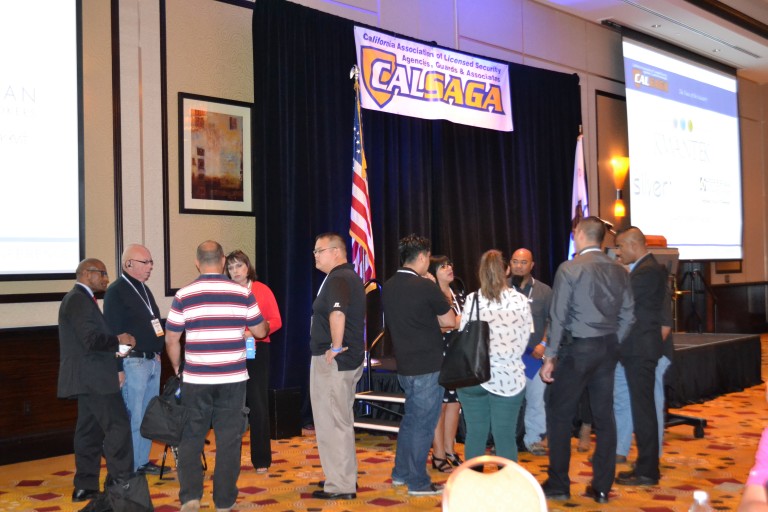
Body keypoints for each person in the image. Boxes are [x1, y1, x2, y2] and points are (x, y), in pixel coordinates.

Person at [165, 241, 269, 512]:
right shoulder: (242, 293)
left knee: (191, 438)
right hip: (232, 379)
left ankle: (190, 499)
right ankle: (224, 502)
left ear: (197, 262)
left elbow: (172, 338)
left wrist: (177, 368)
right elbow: (260, 331)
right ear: (223, 261)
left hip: (196, 380)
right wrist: (264, 324)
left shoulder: (184, 294)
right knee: (229, 441)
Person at [540, 216, 634, 504]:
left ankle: (559, 483)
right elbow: (629, 314)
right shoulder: (620, 270)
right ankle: (602, 487)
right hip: (608, 346)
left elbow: (558, 316)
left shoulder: (569, 268)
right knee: (604, 416)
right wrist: (614, 341)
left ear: (579, 234)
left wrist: (550, 356)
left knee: (559, 412)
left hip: (578, 348)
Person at [382, 234, 456, 496]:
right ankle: (418, 482)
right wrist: (436, 290)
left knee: (411, 422)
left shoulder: (389, 285)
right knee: (423, 425)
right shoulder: (426, 286)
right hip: (428, 365)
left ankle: (401, 473)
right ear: (423, 257)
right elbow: (450, 321)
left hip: (405, 364)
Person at [57, 258, 136, 503]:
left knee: (89, 432)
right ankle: (120, 484)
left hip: (89, 377)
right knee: (118, 428)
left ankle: (85, 486)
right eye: (101, 273)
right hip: (95, 379)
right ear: (86, 273)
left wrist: (115, 348)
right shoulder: (78, 299)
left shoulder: (80, 299)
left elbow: (88, 341)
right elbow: (91, 339)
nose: (106, 278)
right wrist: (119, 340)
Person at [458, 250, 532, 462]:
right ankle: (506, 482)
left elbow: (464, 336)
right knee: (505, 437)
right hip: (509, 378)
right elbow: (524, 338)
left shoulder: (472, 300)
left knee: (475, 434)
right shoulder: (520, 301)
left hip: (475, 376)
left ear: (480, 272)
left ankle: (473, 480)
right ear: (507, 270)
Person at [308, 233, 366, 500]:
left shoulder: (339, 278)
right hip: (345, 361)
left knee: (332, 423)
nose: (315, 256)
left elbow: (338, 312)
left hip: (334, 362)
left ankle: (341, 485)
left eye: (319, 251)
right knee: (339, 420)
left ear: (336, 252)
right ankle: (342, 476)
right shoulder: (346, 277)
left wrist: (335, 346)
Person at [612, 227, 667, 486]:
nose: (618, 252)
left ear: (634, 244)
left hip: (640, 349)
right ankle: (646, 465)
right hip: (638, 349)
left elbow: (623, 302)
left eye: (621, 246)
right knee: (641, 408)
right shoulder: (644, 269)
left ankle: (647, 471)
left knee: (643, 410)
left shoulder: (647, 271)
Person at [103, 244, 165, 475]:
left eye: (151, 262)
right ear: (128, 264)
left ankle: (142, 461)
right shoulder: (116, 291)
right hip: (133, 362)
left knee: (148, 417)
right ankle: (129, 466)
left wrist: (157, 352)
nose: (150, 266)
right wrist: (118, 367)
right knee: (134, 417)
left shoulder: (143, 289)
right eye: (145, 262)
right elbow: (114, 332)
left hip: (151, 361)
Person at [225, 249, 282, 474]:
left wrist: (255, 333)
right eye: (230, 267)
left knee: (257, 404)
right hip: (231, 353)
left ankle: (261, 460)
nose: (235, 271)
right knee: (232, 407)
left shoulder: (261, 290)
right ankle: (231, 460)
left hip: (256, 351)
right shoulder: (226, 292)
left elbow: (276, 320)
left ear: (247, 267)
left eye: (239, 265)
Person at [508, 248, 552, 456]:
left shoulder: (543, 291)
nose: (518, 266)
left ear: (532, 265)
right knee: (508, 402)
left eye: (523, 262)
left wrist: (543, 343)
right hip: (508, 357)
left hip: (534, 355)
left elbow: (552, 320)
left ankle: (534, 440)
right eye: (515, 261)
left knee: (536, 400)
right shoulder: (502, 287)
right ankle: (505, 440)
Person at [428, 255, 464, 472]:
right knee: (440, 406)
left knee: (454, 404)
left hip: (457, 355)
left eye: (450, 264)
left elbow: (461, 322)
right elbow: (434, 326)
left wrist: (455, 324)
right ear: (433, 273)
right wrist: (455, 323)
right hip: (438, 355)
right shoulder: (432, 296)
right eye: (443, 266)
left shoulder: (459, 295)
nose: (449, 268)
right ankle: (438, 454)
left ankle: (450, 450)